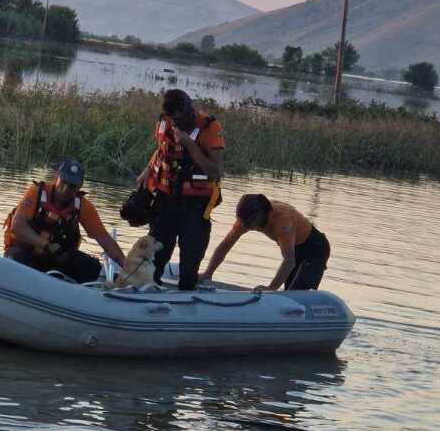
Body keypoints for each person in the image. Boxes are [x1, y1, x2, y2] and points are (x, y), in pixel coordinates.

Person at [135, 88, 225, 291]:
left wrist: (189, 144)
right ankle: (145, 298)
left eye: (179, 118)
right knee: (155, 258)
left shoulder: (209, 128)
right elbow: (162, 150)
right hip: (165, 200)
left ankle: (187, 302)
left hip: (195, 206)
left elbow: (216, 170)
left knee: (189, 264)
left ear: (188, 110)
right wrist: (147, 171)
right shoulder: (165, 123)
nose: (176, 124)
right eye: (171, 119)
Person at [4, 158, 125, 283]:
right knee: (17, 260)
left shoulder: (83, 206)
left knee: (92, 267)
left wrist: (126, 266)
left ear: (79, 186)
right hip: (24, 252)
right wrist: (46, 245)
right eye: (63, 182)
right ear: (57, 177)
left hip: (56, 260)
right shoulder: (36, 192)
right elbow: (17, 226)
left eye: (72, 186)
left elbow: (104, 239)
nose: (65, 189)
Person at [200, 193, 331, 291]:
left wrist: (270, 289)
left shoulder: (282, 221)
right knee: (288, 293)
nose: (246, 226)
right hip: (294, 247)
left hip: (314, 249)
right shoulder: (244, 221)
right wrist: (208, 273)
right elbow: (225, 245)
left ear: (263, 214)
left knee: (296, 294)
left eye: (250, 223)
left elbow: (289, 260)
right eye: (243, 222)